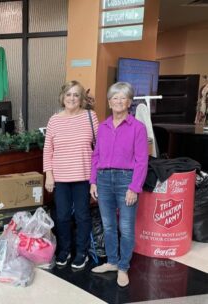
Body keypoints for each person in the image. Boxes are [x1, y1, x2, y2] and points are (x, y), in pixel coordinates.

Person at [90, 82, 148, 287]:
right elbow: (95, 156)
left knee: (126, 227)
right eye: (115, 97)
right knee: (108, 225)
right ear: (109, 102)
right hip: (104, 179)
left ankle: (123, 267)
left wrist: (134, 187)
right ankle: (112, 262)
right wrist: (93, 181)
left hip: (126, 179)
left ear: (129, 102)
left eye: (123, 97)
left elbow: (142, 160)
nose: (118, 101)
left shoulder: (138, 128)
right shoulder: (103, 127)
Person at [43, 80, 99, 268]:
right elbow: (47, 150)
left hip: (83, 177)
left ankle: (81, 252)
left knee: (83, 216)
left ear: (82, 98)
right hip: (60, 178)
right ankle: (65, 250)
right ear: (62, 97)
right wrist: (49, 176)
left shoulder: (91, 117)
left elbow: (99, 149)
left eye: (76, 94)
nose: (72, 98)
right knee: (62, 217)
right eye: (68, 94)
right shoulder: (54, 120)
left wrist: (95, 180)